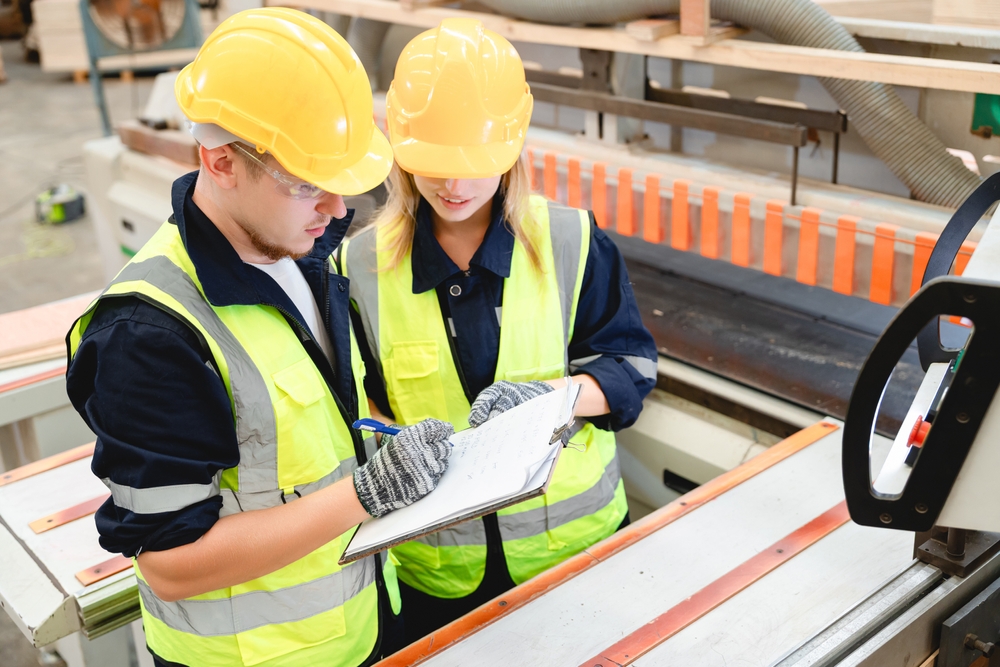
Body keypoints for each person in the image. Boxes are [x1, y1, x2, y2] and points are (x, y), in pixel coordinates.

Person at [65, 8, 454, 666]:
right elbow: (172, 564)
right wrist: (366, 494)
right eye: (309, 185)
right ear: (220, 162)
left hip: (351, 628)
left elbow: (313, 432)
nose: (337, 211)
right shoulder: (149, 335)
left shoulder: (295, 243)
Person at [342, 18, 659, 642]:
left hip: (577, 557)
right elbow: (355, 403)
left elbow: (632, 369)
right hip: (438, 577)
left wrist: (555, 398)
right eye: (432, 164)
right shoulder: (356, 269)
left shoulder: (570, 242)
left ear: (512, 144)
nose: (451, 185)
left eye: (470, 164)